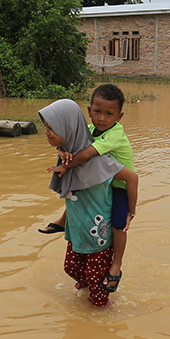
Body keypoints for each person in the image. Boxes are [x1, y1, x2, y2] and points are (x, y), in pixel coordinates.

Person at [39, 99, 138, 307]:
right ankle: (88, 299)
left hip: (98, 236)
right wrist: (61, 152)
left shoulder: (101, 161)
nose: (47, 132)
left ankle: (102, 321)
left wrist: (131, 211)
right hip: (78, 231)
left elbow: (131, 177)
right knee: (71, 269)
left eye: (52, 127)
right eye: (46, 127)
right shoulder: (68, 157)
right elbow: (69, 149)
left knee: (98, 292)